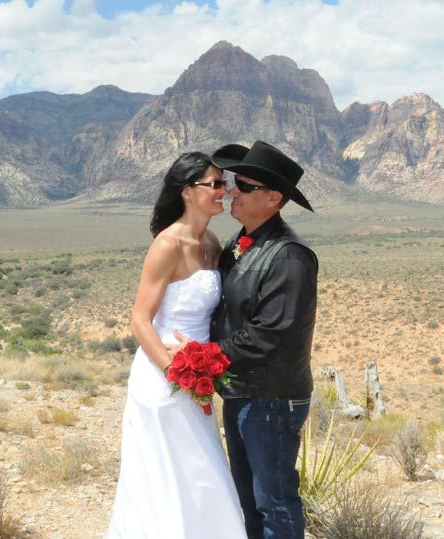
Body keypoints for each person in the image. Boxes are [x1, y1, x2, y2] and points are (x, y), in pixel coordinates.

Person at [105, 152, 246, 538]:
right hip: (163, 380)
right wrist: (174, 370)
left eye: (224, 183)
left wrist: (207, 365)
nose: (224, 191)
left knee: (202, 475)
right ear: (187, 192)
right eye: (214, 184)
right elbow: (140, 319)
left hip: (201, 379)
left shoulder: (212, 242)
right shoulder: (168, 244)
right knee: (167, 479)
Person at [209, 141, 318, 539]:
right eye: (233, 182)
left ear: (273, 198)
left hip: (271, 399)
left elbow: (270, 332)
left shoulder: (289, 256)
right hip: (243, 393)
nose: (232, 190)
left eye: (243, 184)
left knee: (274, 501)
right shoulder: (240, 247)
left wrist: (208, 356)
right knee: (248, 500)